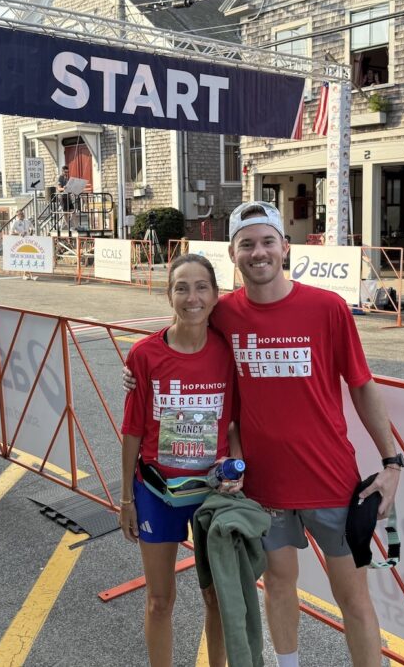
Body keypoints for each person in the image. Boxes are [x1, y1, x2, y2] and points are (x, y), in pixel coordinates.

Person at [125, 202, 402, 667]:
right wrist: (137, 369)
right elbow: (180, 330)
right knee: (277, 585)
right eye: (247, 244)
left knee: (354, 600)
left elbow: (361, 385)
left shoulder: (327, 307)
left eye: (267, 241)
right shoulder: (224, 312)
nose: (259, 253)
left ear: (284, 247)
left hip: (331, 479)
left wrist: (392, 462)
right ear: (233, 254)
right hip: (262, 488)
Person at [120, 254, 241, 667]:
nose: (192, 297)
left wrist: (237, 468)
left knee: (217, 597)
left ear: (215, 295)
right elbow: (132, 429)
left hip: (213, 492)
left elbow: (237, 422)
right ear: (168, 294)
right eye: (181, 288)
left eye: (201, 287)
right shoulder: (144, 355)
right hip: (156, 491)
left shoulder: (229, 353)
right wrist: (125, 499)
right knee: (159, 600)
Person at [9, 213, 37, 280]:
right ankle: (27, 275)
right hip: (20, 243)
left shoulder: (27, 221)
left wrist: (31, 232)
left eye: (22, 214)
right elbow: (11, 232)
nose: (22, 215)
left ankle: (29, 275)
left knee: (30, 258)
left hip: (29, 241)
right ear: (17, 216)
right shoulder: (15, 222)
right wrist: (19, 234)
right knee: (25, 258)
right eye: (20, 214)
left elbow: (32, 228)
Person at [56, 165, 75, 236]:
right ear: (62, 171)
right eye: (65, 172)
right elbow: (59, 188)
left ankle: (75, 226)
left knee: (73, 211)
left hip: (68, 196)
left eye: (67, 172)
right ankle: (69, 227)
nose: (66, 173)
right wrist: (64, 188)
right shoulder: (60, 178)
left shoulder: (67, 178)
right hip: (62, 197)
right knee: (65, 213)